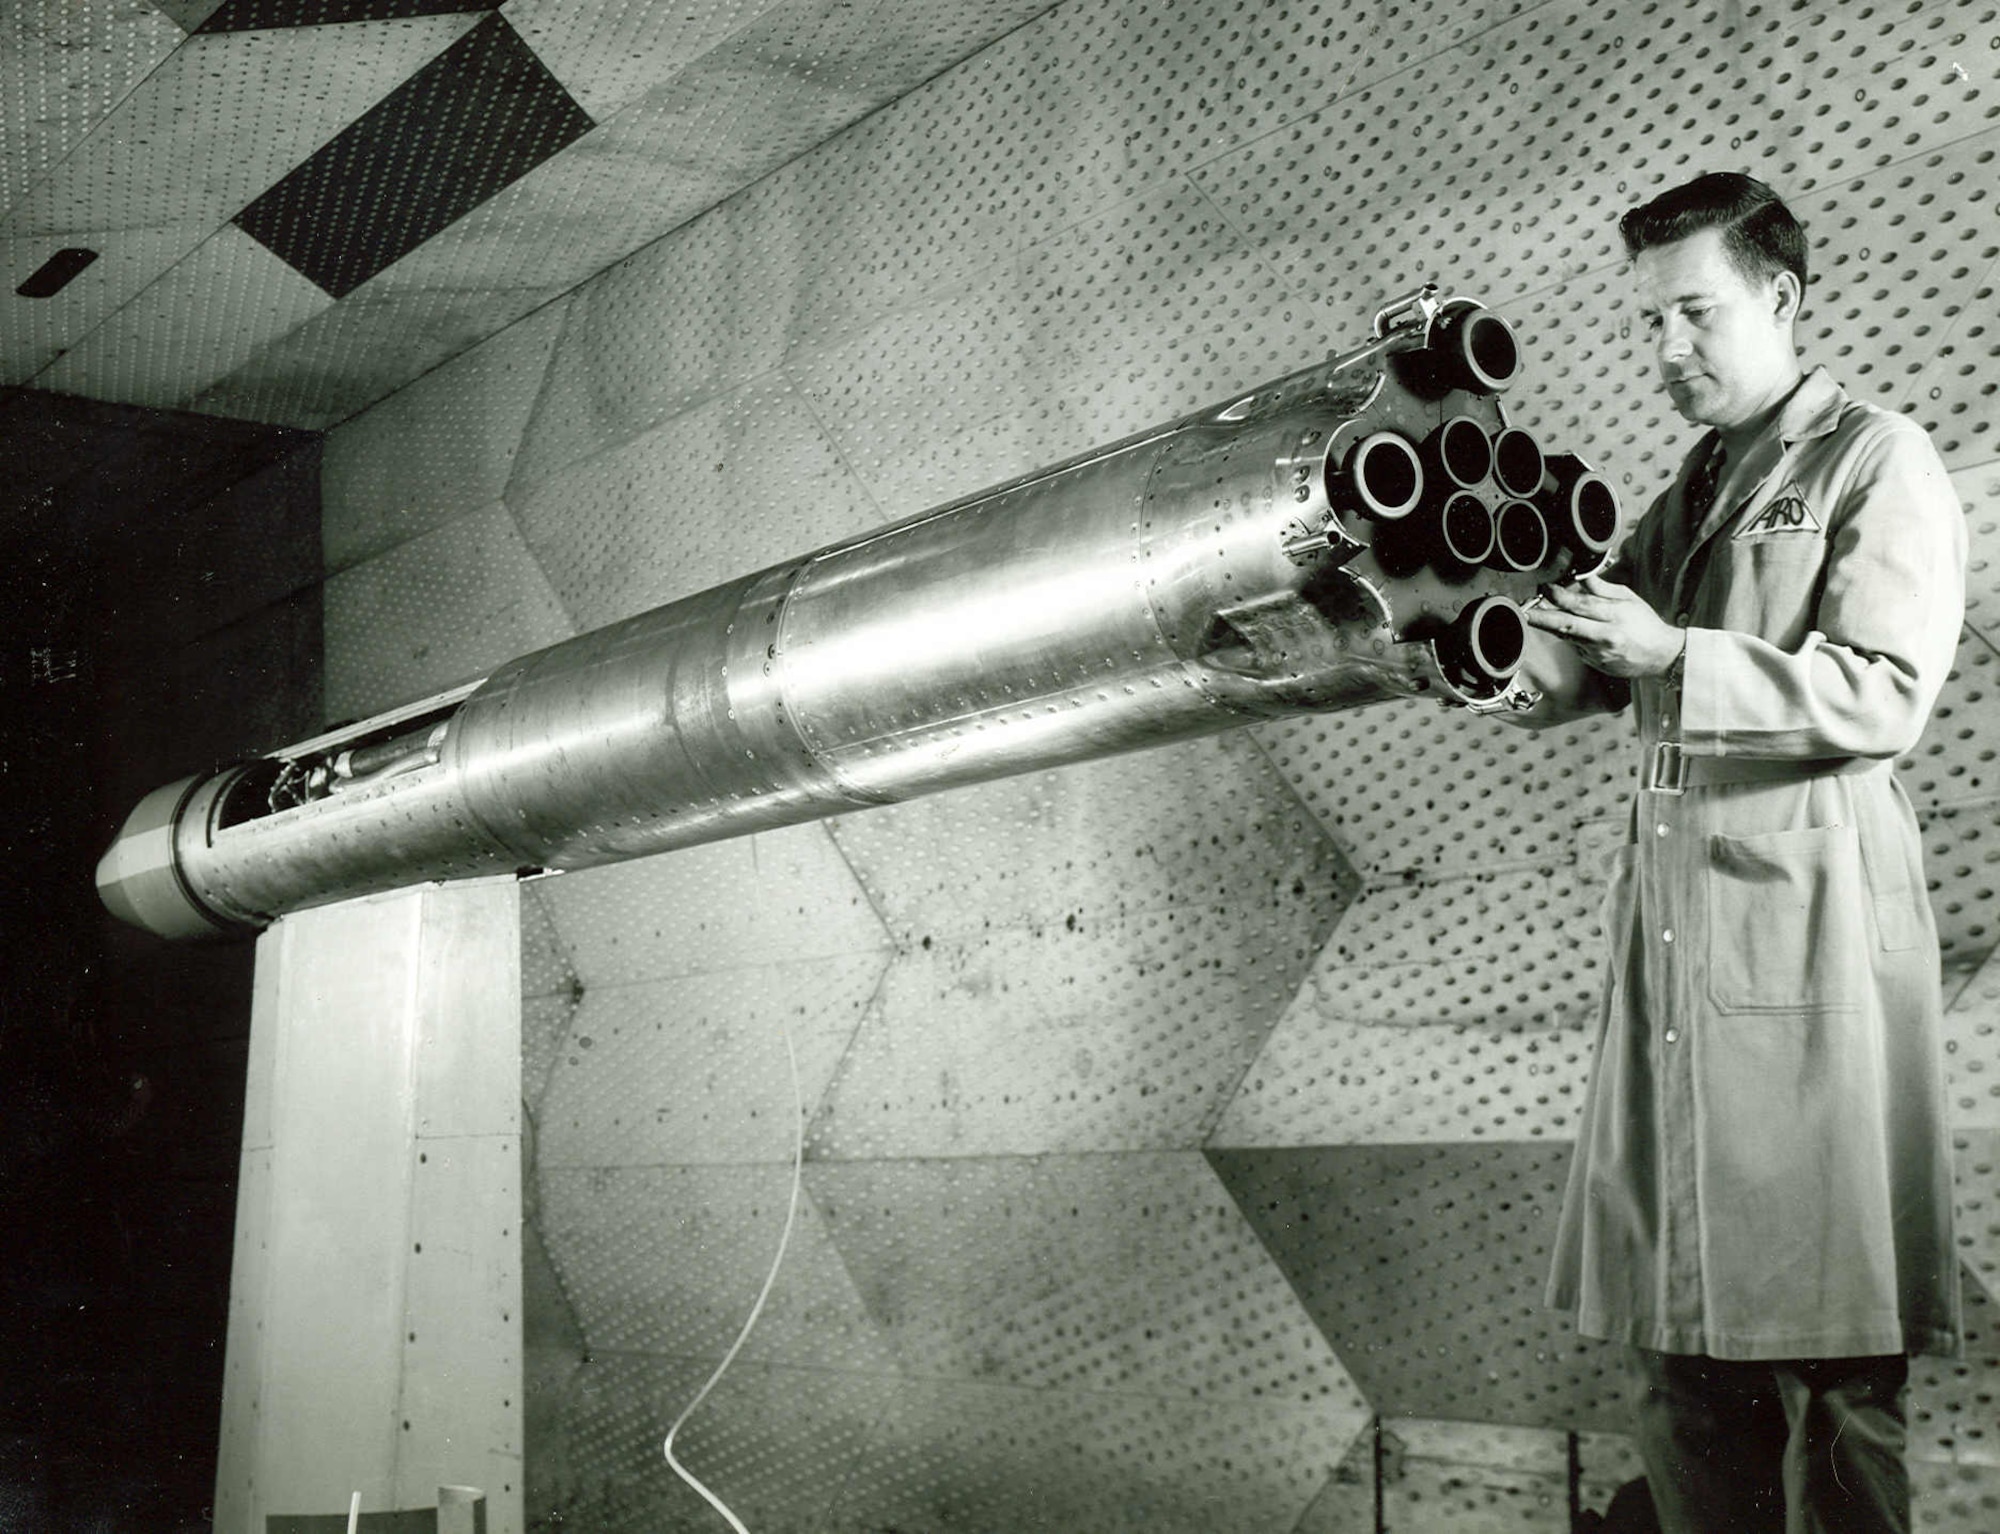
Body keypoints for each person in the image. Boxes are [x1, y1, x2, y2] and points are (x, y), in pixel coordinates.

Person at [1502, 172, 1966, 1532]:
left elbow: (1885, 689)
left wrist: (1675, 655)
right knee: (1678, 1359)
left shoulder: (1878, 460)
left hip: (1804, 975)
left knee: (1823, 1381)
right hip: (1680, 990)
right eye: (1649, 323)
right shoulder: (1692, 492)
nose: (1668, 353)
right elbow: (1589, 666)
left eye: (1694, 315)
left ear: (1780, 295)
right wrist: (1464, 641)